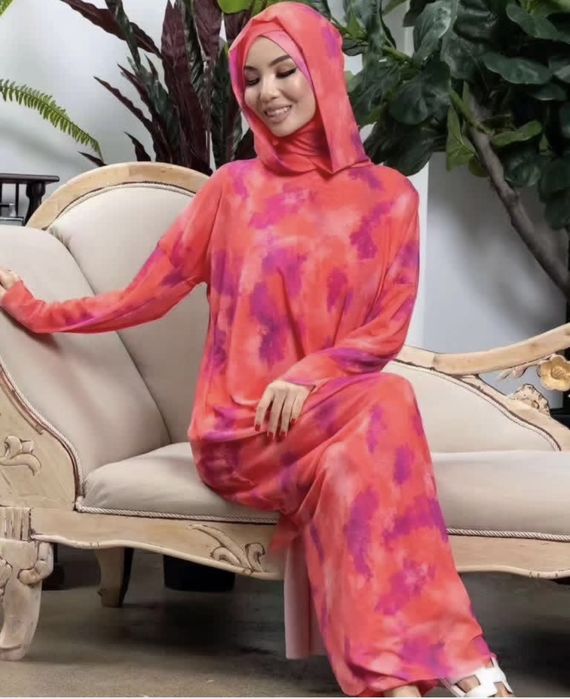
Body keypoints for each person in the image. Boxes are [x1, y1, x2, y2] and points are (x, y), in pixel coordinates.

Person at [0, 3, 513, 696]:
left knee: (355, 457)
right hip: (242, 431)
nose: (267, 92)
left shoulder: (389, 199)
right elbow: (144, 295)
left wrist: (309, 374)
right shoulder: (233, 190)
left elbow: (385, 329)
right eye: (251, 79)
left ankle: (387, 678)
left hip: (332, 418)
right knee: (389, 399)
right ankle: (458, 657)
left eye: (284, 71)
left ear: (323, 71)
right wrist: (34, 308)